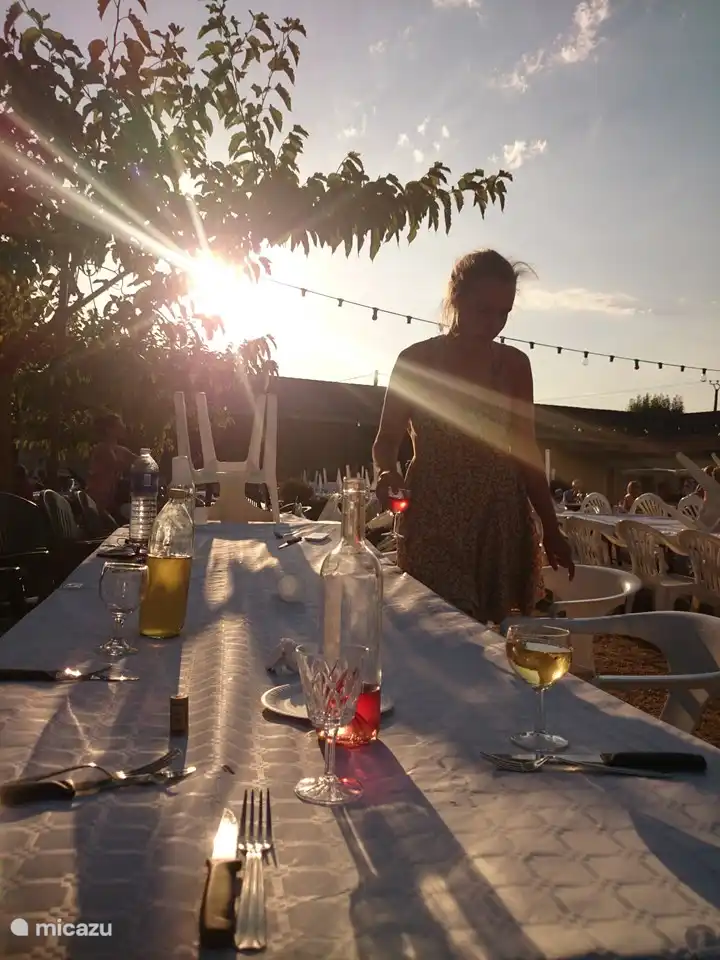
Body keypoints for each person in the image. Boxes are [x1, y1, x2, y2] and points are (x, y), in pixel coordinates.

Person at [372, 248, 574, 624]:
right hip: (435, 513)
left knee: (487, 633)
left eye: (504, 313)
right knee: (440, 626)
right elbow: (385, 441)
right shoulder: (416, 361)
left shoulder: (515, 366)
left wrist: (550, 526)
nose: (494, 323)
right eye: (484, 310)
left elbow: (525, 448)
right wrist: (387, 472)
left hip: (499, 516)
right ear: (457, 298)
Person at [85, 413, 137, 517]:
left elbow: (140, 460)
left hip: (111, 501)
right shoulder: (102, 448)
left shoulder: (120, 449)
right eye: (119, 425)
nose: (123, 427)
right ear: (109, 430)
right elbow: (117, 464)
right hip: (98, 502)